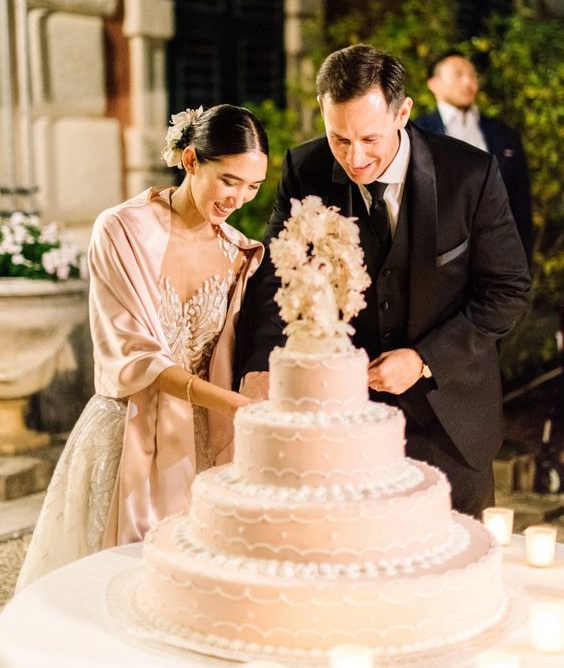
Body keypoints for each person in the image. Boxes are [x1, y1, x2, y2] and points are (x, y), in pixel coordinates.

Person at [235, 44, 531, 518]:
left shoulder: (469, 175)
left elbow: (508, 290)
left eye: (370, 139)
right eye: (340, 139)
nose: (355, 159)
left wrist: (424, 359)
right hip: (339, 418)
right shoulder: (304, 170)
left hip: (449, 420)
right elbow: (276, 278)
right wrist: (260, 363)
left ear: (404, 112)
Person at [17, 104, 268, 590]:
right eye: (229, 180)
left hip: (208, 443)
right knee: (116, 587)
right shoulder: (121, 230)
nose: (238, 198)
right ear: (191, 159)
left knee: (195, 594)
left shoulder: (241, 253)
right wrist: (240, 407)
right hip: (127, 431)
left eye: (253, 187)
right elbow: (134, 354)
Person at [415, 50, 533, 262]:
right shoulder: (416, 133)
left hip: (497, 254)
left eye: (472, 75)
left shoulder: (504, 134)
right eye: (458, 74)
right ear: (434, 84)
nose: (469, 82)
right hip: (437, 258)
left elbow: (521, 203)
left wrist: (523, 261)